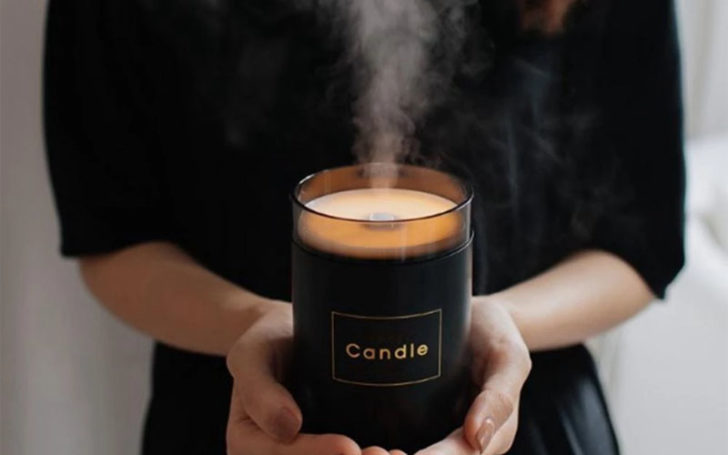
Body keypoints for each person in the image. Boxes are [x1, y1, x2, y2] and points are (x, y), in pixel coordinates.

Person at [43, 0, 684, 454]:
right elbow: (113, 235)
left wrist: (493, 324)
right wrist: (255, 324)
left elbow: (640, 245)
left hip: (520, 416)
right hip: (244, 420)